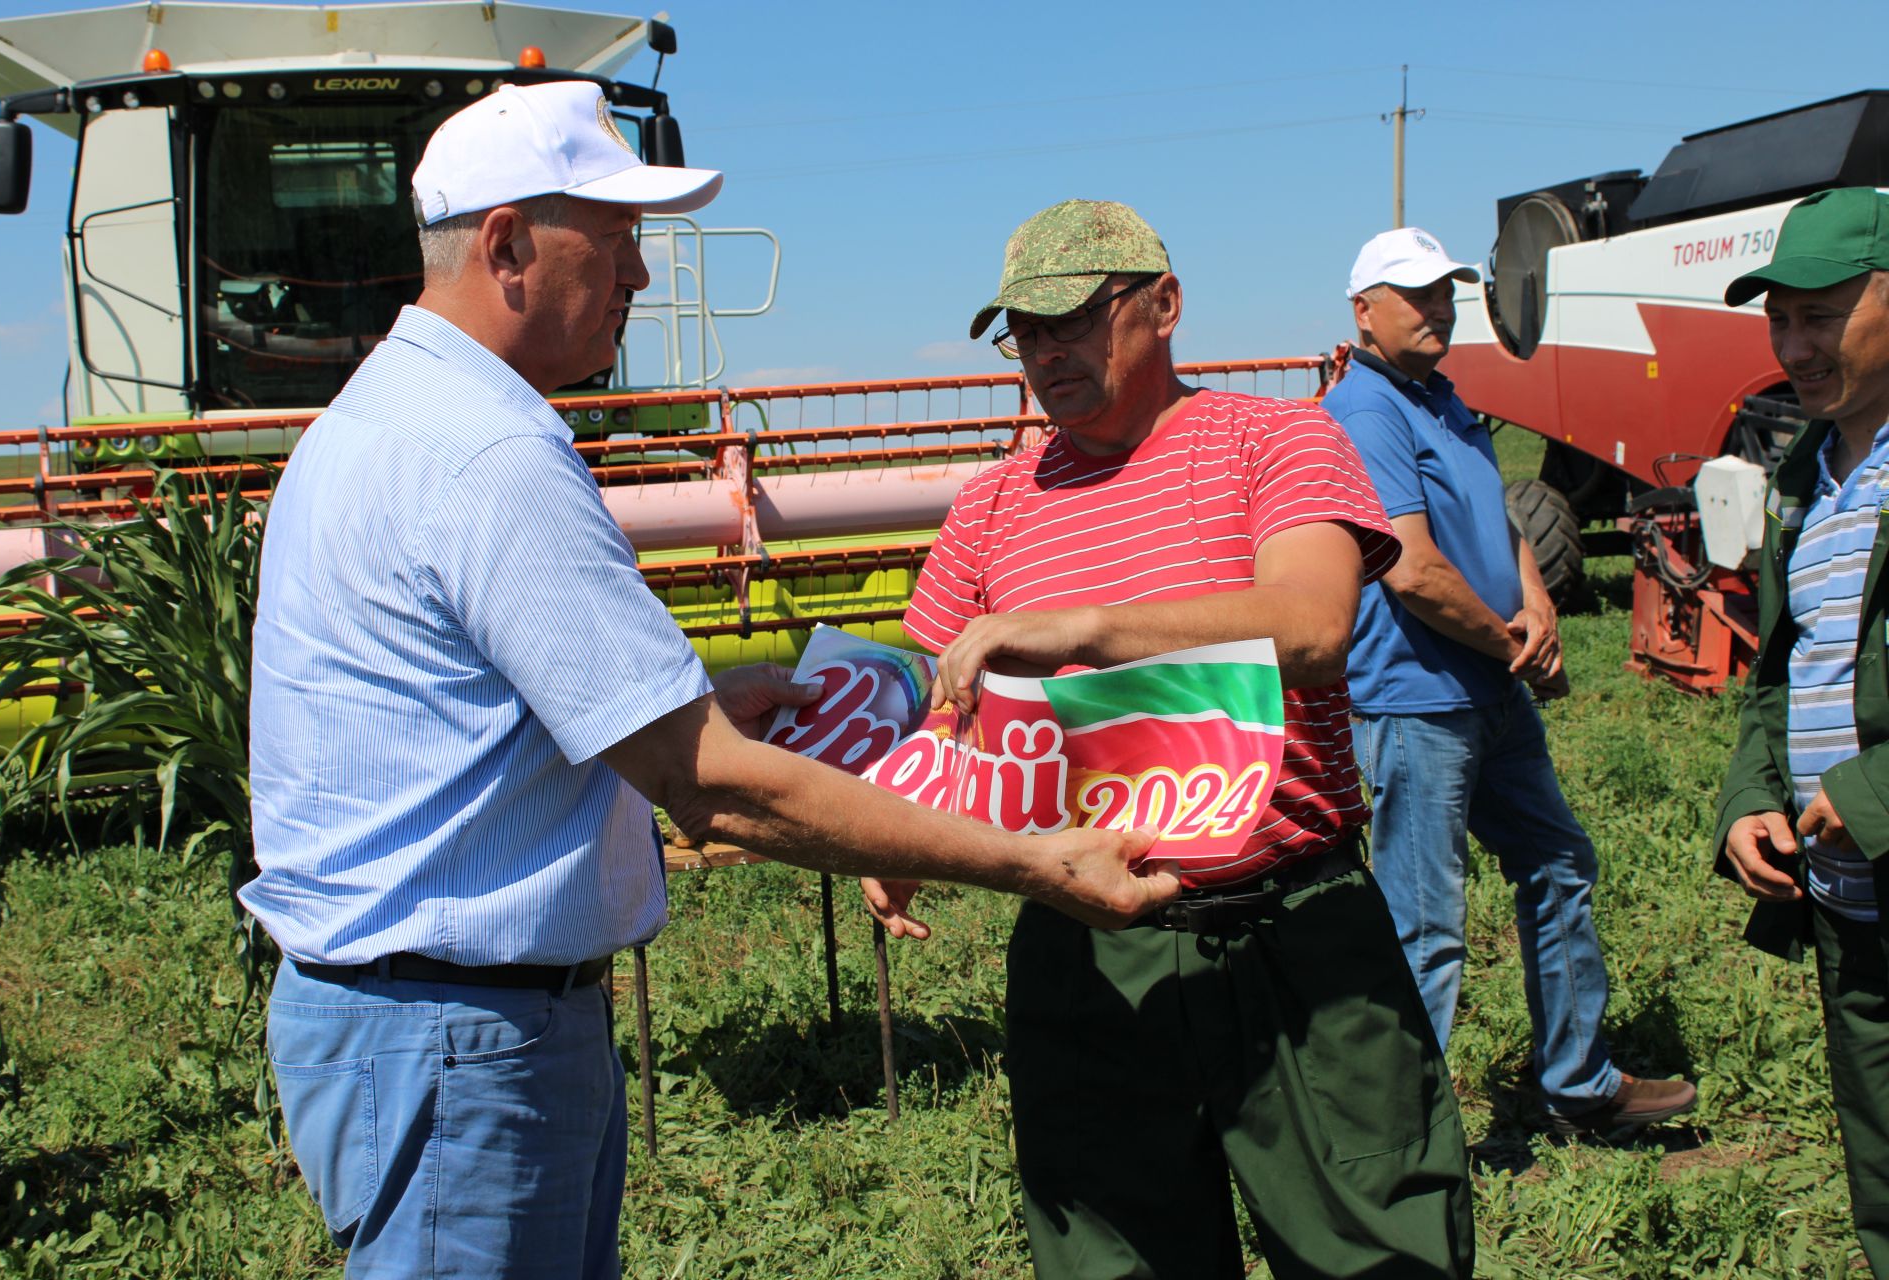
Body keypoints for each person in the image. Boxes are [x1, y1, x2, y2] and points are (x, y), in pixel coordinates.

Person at [241, 85, 1179, 1280]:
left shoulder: (377, 420)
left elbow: (460, 726)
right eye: (618, 238)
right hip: (464, 1038)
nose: (640, 274)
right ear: (510, 245)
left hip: (431, 1021)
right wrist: (1032, 863)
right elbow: (717, 792)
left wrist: (679, 710)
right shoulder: (488, 454)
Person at [864, 200, 1474, 1279]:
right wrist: (889, 820)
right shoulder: (991, 507)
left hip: (1293, 933)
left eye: (1074, 321)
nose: (1046, 352)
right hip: (1091, 958)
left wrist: (1090, 628)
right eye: (1025, 331)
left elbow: (1314, 624)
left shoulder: (1275, 439)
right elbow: (940, 706)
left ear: (1165, 304)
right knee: (1116, 1257)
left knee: (1380, 1251)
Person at [1321, 227, 1697, 1136]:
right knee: (1426, 924)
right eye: (1415, 294)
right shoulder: (1365, 413)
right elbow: (1407, 570)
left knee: (1558, 862)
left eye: (1447, 289)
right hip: (1417, 701)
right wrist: (1510, 644)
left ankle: (1578, 1081)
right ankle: (1404, 1142)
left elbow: (1503, 521)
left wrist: (1538, 606)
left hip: (1485, 692)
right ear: (1363, 311)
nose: (1439, 306)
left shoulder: (1445, 400)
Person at [1714, 186, 1889, 1276]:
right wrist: (1746, 799)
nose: (1795, 345)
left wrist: (1869, 797)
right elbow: (1775, 682)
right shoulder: (1805, 483)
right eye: (1779, 319)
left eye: (1820, 314)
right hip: (1848, 901)